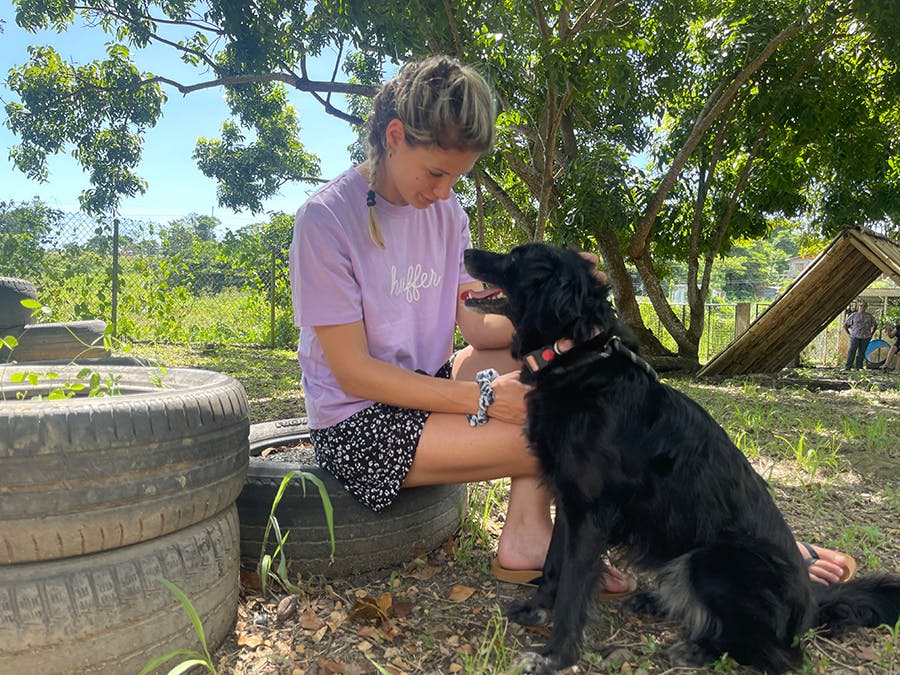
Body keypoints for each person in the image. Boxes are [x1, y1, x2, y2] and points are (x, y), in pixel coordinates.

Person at [288, 54, 854, 588]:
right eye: (436, 173)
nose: (443, 193)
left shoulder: (446, 211)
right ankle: (746, 549)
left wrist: (573, 308)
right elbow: (354, 374)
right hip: (359, 426)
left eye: (456, 180)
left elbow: (480, 331)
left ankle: (539, 535)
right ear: (394, 138)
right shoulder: (327, 221)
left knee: (579, 377)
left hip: (429, 388)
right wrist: (487, 398)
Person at [842, 301, 877, 371]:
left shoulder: (869, 316)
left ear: (866, 307)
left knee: (862, 352)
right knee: (852, 351)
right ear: (859, 306)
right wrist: (849, 334)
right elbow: (845, 325)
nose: (862, 307)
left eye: (864, 306)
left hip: (866, 337)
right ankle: (847, 367)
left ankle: (859, 367)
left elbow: (875, 325)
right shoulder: (854, 315)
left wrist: (871, 334)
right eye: (861, 305)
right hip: (855, 336)